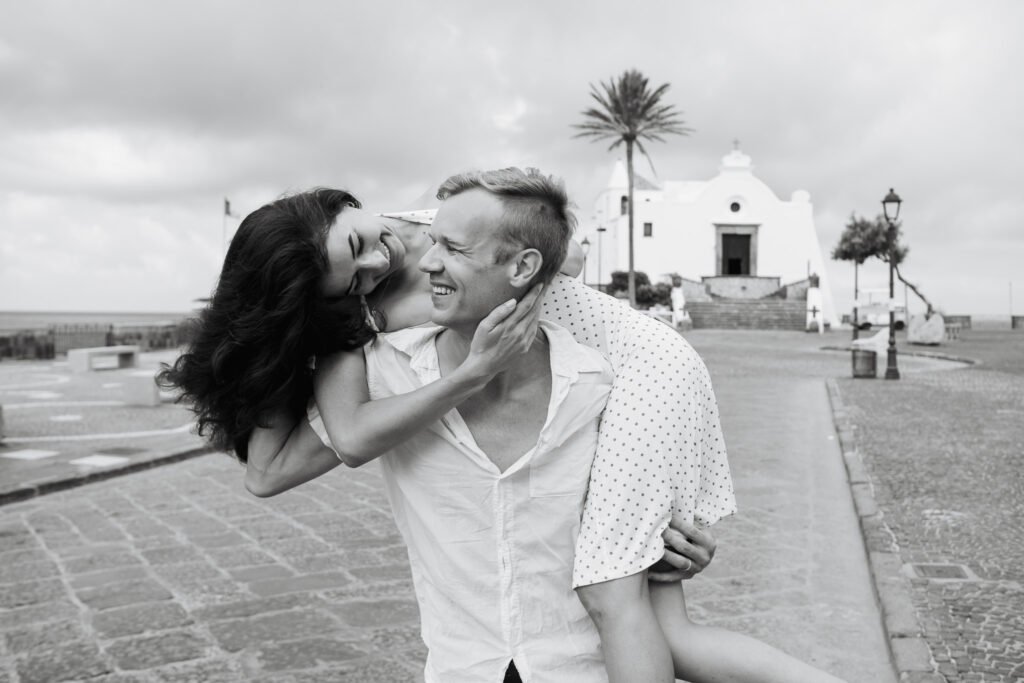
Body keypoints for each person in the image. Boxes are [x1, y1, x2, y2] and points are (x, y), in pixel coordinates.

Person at [162, 171, 844, 682]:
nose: (380, 260)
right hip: (630, 366)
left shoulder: (443, 228)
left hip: (645, 368)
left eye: (362, 240)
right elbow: (330, 442)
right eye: (353, 274)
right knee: (673, 635)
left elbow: (557, 249)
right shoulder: (362, 314)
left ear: (348, 204)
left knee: (612, 594)